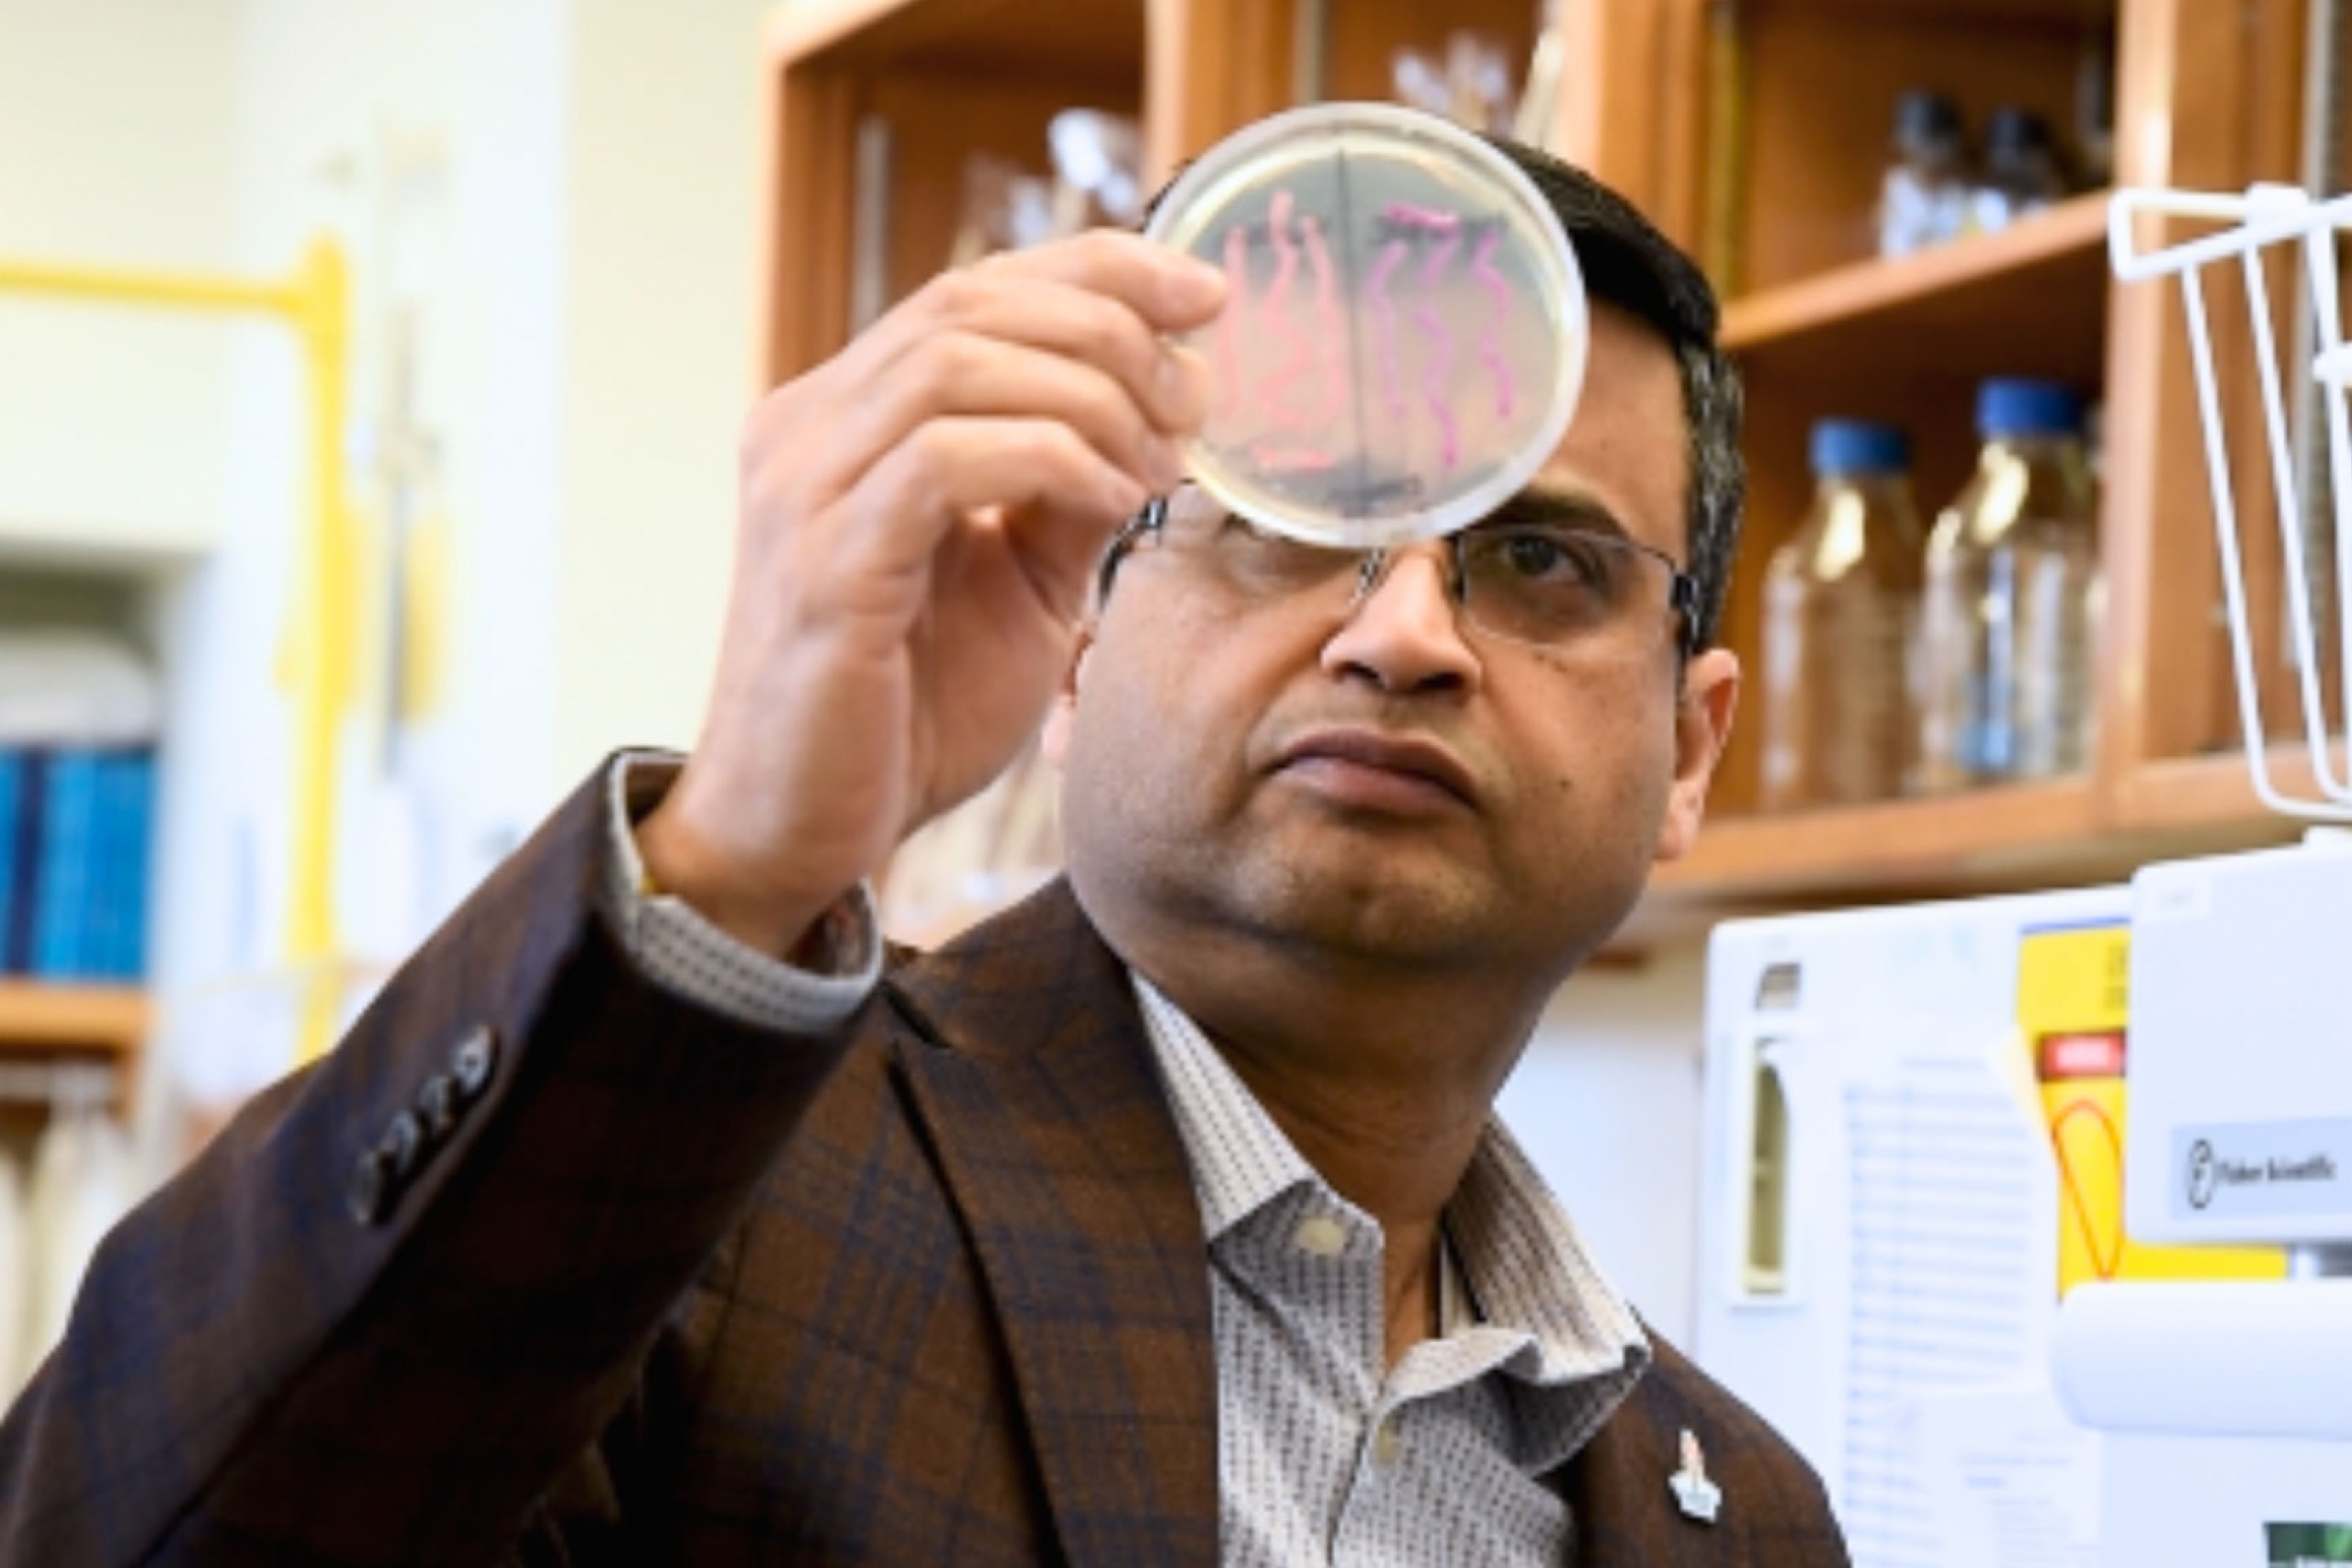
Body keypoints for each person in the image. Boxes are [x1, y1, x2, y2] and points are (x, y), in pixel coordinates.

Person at [0, 131, 1847, 1566]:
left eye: (1538, 560)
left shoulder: (1745, 1517)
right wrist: (739, 851)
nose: (1403, 631)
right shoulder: (695, 1210)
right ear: (1078, 639)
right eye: (1292, 518)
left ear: (1686, 753)